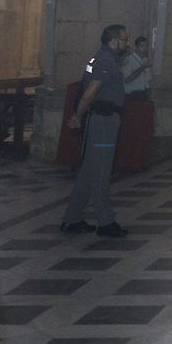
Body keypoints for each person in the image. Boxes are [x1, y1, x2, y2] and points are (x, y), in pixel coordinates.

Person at [61, 23, 130, 237]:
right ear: (113, 41)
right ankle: (105, 221)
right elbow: (90, 93)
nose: (126, 43)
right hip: (103, 120)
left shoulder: (101, 57)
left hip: (103, 118)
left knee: (89, 171)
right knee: (101, 171)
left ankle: (72, 219)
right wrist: (77, 116)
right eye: (124, 39)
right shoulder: (107, 61)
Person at [122, 35, 151, 102]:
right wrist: (142, 68)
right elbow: (127, 79)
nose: (145, 49)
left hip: (144, 95)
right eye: (142, 46)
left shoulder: (145, 60)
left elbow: (147, 80)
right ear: (136, 47)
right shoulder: (129, 60)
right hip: (132, 96)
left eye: (146, 46)